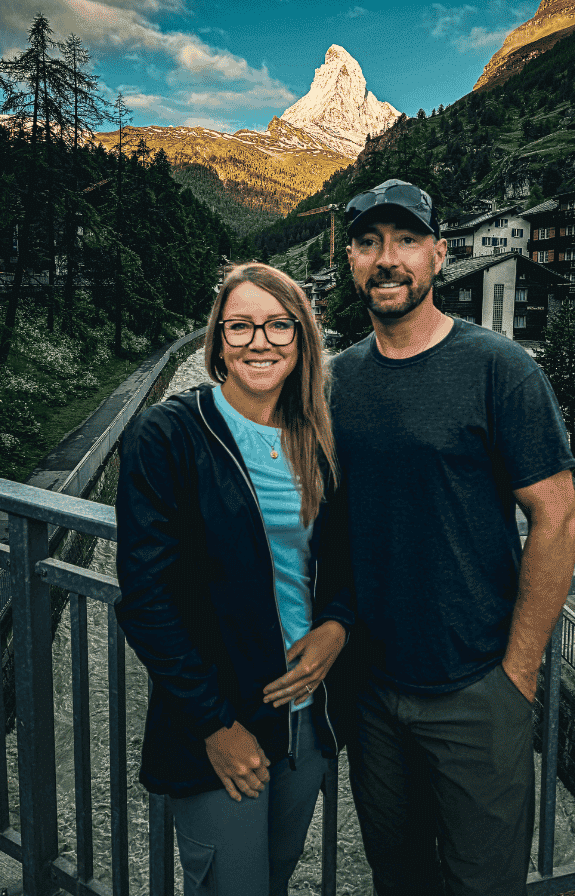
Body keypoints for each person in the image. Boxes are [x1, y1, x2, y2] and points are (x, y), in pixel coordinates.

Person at [329, 179, 575, 896]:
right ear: (350, 259)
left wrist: (517, 674)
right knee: (397, 875)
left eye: (406, 240)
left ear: (438, 255)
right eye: (370, 242)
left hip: (476, 688)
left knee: (481, 883)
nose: (388, 260)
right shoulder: (338, 380)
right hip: (373, 693)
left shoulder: (499, 369)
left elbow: (556, 517)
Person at [115, 262, 354, 896]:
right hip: (224, 727)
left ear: (301, 340)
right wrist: (215, 726)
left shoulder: (317, 436)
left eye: (279, 325)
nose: (260, 341)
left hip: (306, 717)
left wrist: (337, 624)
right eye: (240, 325)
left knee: (272, 881)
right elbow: (145, 600)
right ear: (217, 339)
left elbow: (340, 562)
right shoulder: (168, 435)